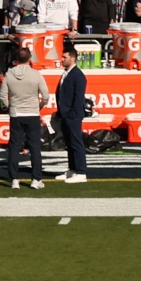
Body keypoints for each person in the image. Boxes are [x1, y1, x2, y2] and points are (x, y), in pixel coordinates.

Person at [0, 46, 49, 189]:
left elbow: (3, 95)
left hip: (16, 113)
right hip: (32, 113)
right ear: (30, 58)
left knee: (14, 147)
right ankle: (36, 179)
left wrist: (9, 106)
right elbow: (45, 95)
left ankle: (14, 179)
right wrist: (39, 106)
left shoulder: (9, 74)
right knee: (35, 147)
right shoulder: (36, 74)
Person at [54, 44, 89, 182]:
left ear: (73, 59)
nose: (62, 59)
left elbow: (78, 97)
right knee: (69, 143)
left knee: (76, 143)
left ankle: (81, 172)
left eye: (65, 57)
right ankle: (73, 169)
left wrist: (71, 114)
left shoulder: (78, 75)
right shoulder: (66, 73)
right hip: (65, 114)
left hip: (72, 115)